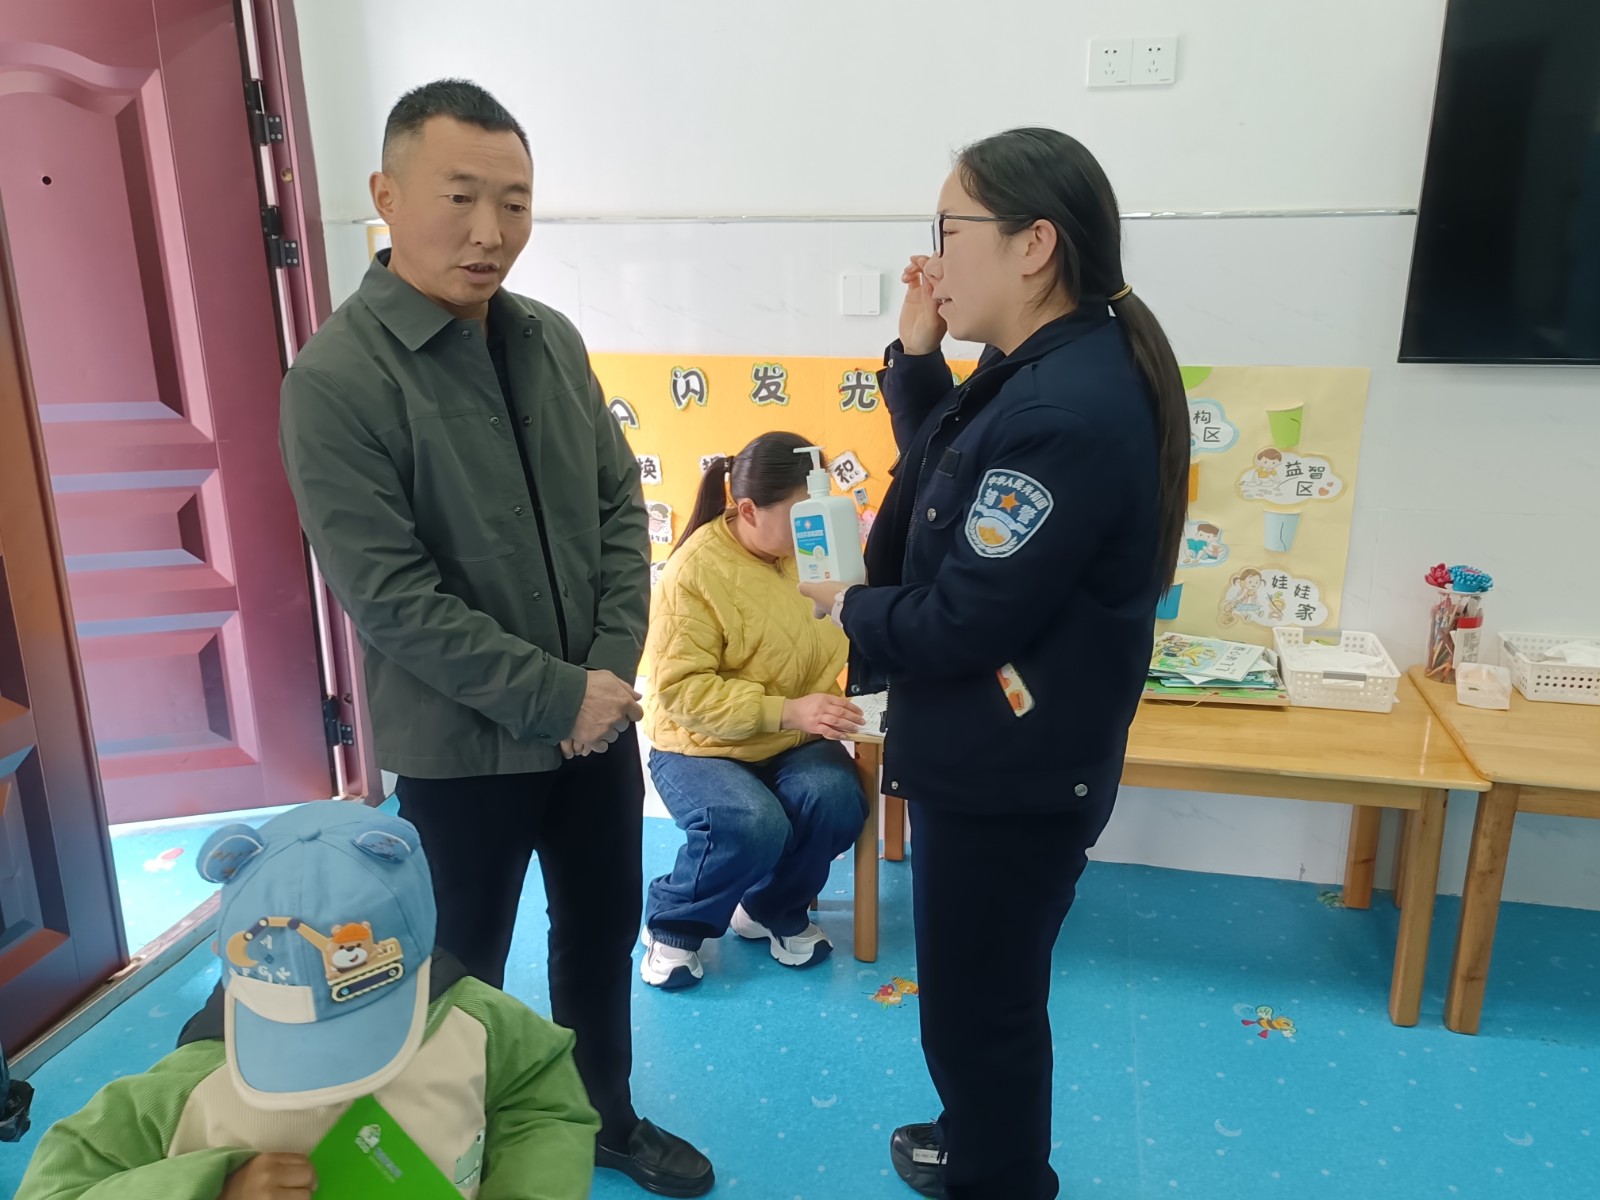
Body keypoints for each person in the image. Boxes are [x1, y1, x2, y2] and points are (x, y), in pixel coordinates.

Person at [278, 79, 711, 1196]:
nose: (490, 231)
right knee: (457, 961)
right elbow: (391, 597)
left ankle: (604, 1116)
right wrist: (558, 697)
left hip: (596, 726)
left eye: (514, 202)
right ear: (385, 195)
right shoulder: (336, 380)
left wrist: (604, 678)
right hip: (463, 748)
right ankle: (445, 1151)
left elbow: (620, 512)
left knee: (599, 933)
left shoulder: (549, 339)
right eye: (459, 196)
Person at [799, 128, 1190, 1199]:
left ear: (1034, 246)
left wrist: (849, 605)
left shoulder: (1062, 408)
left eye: (948, 229)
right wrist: (915, 353)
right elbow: (953, 475)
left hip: (1009, 771)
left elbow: (963, 620)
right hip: (1006, 752)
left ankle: (1000, 1178)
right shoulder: (1045, 370)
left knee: (983, 1008)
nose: (930, 259)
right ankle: (975, 1141)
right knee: (978, 996)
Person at [14, 801, 598, 1200]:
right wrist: (213, 1186)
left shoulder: (478, 1020)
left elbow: (545, 1104)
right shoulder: (188, 1085)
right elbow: (56, 1185)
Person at [639, 432, 868, 989]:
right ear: (747, 510)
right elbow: (681, 693)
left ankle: (769, 908)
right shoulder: (694, 572)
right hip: (698, 744)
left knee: (837, 800)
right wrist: (789, 711)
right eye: (800, 515)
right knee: (750, 822)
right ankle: (673, 924)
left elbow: (846, 629)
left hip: (792, 735)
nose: (814, 528)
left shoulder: (811, 553)